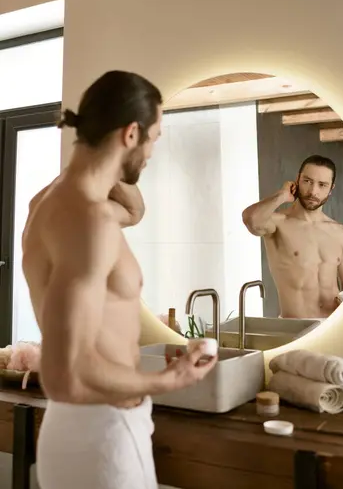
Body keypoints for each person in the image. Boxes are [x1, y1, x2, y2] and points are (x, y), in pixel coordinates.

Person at [22, 70, 217, 489]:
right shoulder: (88, 220)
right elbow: (63, 373)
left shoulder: (54, 204)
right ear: (132, 134)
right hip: (104, 437)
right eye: (155, 137)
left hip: (87, 429)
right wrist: (169, 381)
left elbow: (134, 211)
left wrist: (102, 165)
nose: (153, 151)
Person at [242, 155, 343, 319]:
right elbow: (250, 220)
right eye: (307, 181)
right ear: (297, 180)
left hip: (334, 325)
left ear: (331, 189)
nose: (313, 191)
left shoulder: (341, 233)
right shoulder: (277, 224)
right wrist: (282, 195)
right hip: (295, 327)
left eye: (322, 185)